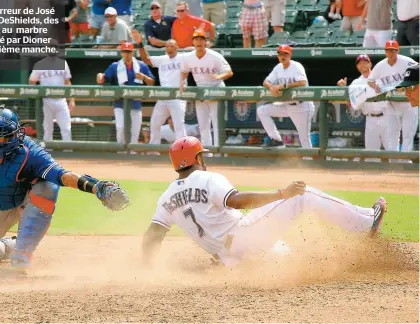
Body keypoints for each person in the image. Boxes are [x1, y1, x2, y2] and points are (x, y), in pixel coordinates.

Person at [0, 106, 130, 269]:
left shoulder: (30, 151)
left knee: (48, 186)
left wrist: (96, 187)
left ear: (16, 134)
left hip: (26, 200)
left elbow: (62, 175)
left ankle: (23, 251)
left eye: (6, 136)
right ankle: (10, 246)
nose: (0, 141)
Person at [142, 136, 387, 267]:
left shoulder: (166, 198)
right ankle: (366, 223)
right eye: (201, 154)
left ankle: (233, 264)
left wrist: (145, 268)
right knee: (303, 194)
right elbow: (236, 201)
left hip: (229, 256)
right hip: (245, 236)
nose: (203, 158)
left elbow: (152, 236)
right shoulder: (206, 178)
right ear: (195, 157)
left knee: (285, 258)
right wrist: (282, 193)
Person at [132, 30, 187, 146]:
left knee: (179, 126)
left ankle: (183, 151)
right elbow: (146, 59)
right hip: (163, 97)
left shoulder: (184, 57)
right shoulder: (162, 59)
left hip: (177, 95)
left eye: (172, 46)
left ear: (177, 47)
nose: (169, 48)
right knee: (155, 124)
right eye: (167, 46)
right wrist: (140, 44)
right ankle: (153, 150)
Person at [180, 30, 233, 148]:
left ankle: (219, 152)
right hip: (201, 92)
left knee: (217, 124)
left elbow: (229, 72)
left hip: (216, 89)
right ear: (193, 42)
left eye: (201, 39)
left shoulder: (215, 56)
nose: (199, 42)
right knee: (203, 125)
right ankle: (207, 153)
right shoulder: (188, 57)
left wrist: (219, 76)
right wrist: (182, 82)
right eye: (196, 39)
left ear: (206, 42)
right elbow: (184, 71)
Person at [96, 42, 155, 144]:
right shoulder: (115, 66)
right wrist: (99, 76)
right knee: (121, 127)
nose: (126, 54)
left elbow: (152, 82)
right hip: (120, 103)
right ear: (121, 53)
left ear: (133, 52)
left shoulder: (141, 65)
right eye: (124, 52)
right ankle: (121, 150)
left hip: (135, 103)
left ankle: (132, 152)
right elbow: (103, 79)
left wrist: (144, 77)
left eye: (129, 52)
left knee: (135, 131)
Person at [257, 45, 315, 149]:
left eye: (285, 54)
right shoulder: (278, 68)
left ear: (290, 55)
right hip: (286, 105)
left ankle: (309, 161)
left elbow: (302, 82)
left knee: (304, 139)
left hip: (302, 106)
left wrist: (283, 86)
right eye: (280, 54)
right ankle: (276, 139)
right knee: (262, 110)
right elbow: (265, 82)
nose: (282, 56)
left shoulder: (296, 66)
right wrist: (271, 87)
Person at [367, 40, 418, 152]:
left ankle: (406, 161)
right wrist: (375, 85)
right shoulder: (380, 65)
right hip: (391, 103)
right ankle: (394, 161)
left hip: (408, 102)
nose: (390, 53)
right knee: (392, 134)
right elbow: (370, 80)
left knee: (408, 134)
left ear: (397, 51)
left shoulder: (406, 61)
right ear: (385, 51)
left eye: (393, 50)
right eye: (388, 50)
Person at [337, 55, 387, 161]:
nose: (362, 64)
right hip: (370, 119)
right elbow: (351, 104)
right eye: (359, 63)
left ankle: (399, 173)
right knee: (371, 155)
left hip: (386, 116)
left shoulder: (381, 77)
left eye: (365, 62)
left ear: (370, 64)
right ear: (357, 67)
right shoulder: (355, 83)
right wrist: (344, 89)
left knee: (392, 150)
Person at [29, 42, 74, 143]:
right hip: (46, 100)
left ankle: (69, 151)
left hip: (61, 99)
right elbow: (32, 81)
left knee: (66, 128)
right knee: (48, 129)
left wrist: (72, 100)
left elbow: (68, 82)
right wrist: (36, 92)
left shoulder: (63, 63)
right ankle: (47, 152)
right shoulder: (40, 65)